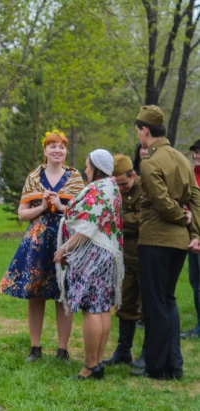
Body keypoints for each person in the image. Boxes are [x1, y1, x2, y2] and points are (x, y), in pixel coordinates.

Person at [0, 130, 85, 363]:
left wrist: (60, 205)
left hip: (65, 241)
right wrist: (43, 207)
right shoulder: (34, 177)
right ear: (45, 151)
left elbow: (83, 215)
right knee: (35, 294)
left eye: (62, 147)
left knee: (62, 294)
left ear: (66, 151)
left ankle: (62, 350)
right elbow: (22, 213)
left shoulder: (76, 178)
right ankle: (35, 348)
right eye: (52, 146)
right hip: (37, 242)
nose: (57, 150)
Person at [131, 105, 200, 380]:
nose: (138, 136)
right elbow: (195, 197)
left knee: (154, 303)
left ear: (145, 131)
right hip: (179, 243)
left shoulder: (150, 162)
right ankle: (175, 364)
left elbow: (160, 202)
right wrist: (194, 231)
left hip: (156, 239)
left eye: (138, 130)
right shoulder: (183, 159)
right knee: (168, 301)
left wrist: (181, 219)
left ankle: (156, 367)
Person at [54, 149, 124, 380]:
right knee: (102, 308)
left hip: (92, 254)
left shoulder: (99, 189)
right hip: (107, 255)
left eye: (87, 166)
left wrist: (64, 248)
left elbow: (86, 227)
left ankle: (89, 366)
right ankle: (98, 362)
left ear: (96, 168)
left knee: (91, 309)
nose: (85, 170)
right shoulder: (112, 187)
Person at [104, 155, 142, 366]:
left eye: (124, 183)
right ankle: (123, 351)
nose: (121, 189)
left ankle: (148, 353)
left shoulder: (145, 189)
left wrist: (117, 220)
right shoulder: (113, 192)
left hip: (144, 254)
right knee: (125, 303)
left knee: (149, 308)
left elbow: (142, 219)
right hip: (124, 256)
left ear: (133, 175)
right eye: (116, 185)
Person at [181, 138, 200, 339]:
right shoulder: (192, 175)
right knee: (195, 282)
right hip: (192, 233)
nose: (197, 156)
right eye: (195, 152)